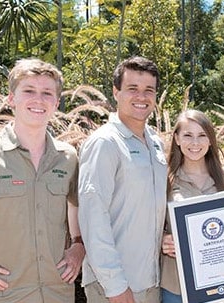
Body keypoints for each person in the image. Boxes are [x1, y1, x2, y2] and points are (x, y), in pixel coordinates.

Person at [0, 58, 85, 302]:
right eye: (29, 90)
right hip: (1, 297)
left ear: (56, 103)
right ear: (11, 98)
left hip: (56, 295)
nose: (38, 100)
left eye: (47, 93)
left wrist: (78, 246)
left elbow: (77, 205)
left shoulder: (68, 158)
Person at [78, 56, 167, 303]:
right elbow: (93, 217)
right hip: (115, 287)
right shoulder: (105, 143)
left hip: (151, 282)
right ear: (116, 92)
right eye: (132, 89)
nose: (142, 96)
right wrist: (115, 286)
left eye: (149, 90)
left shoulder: (156, 144)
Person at [160, 109, 224, 303]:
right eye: (188, 135)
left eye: (202, 135)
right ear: (177, 139)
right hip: (177, 284)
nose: (195, 143)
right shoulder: (163, 180)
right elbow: (149, 225)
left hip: (222, 284)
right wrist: (162, 240)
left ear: (211, 140)